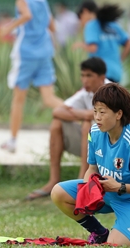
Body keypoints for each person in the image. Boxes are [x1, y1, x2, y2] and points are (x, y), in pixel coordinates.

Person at [51, 83, 130, 247]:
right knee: (58, 193)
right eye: (95, 111)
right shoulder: (95, 132)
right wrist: (88, 191)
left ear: (118, 114)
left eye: (102, 112)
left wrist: (119, 187)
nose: (97, 117)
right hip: (106, 192)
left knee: (114, 246)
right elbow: (92, 168)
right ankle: (99, 232)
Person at [26, 57, 107, 200]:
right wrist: (84, 114)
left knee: (88, 126)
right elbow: (57, 111)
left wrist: (86, 117)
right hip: (93, 147)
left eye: (89, 75)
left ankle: (83, 181)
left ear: (102, 77)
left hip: (115, 149)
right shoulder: (85, 93)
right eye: (82, 75)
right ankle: (53, 181)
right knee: (57, 123)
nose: (84, 80)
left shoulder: (111, 92)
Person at [0, 0, 63, 153]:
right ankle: (82, 115)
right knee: (49, 99)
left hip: (26, 55)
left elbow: (26, 15)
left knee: (18, 100)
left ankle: (13, 140)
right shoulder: (43, 2)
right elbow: (52, 27)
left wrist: (8, 28)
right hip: (45, 53)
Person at [74, 2, 130, 84]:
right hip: (116, 72)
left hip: (100, 73)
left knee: (99, 96)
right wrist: (119, 60)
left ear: (85, 12)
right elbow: (129, 43)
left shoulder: (91, 25)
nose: (81, 22)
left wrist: (80, 45)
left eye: (80, 18)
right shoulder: (112, 25)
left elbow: (93, 48)